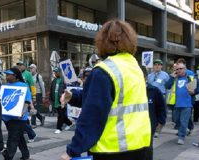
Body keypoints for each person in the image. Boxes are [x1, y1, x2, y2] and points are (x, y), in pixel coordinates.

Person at [61, 19, 151, 160]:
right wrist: (74, 96)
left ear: (103, 41)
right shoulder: (135, 67)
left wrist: (72, 151)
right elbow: (112, 100)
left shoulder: (104, 70)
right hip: (142, 146)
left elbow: (92, 116)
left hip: (112, 150)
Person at [1, 67, 32, 160]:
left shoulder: (23, 86)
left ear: (15, 76)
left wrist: (22, 112)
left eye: (8, 74)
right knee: (18, 137)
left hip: (19, 118)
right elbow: (0, 100)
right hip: (7, 118)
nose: (6, 76)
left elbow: (27, 101)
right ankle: (26, 155)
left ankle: (7, 155)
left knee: (13, 138)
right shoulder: (5, 86)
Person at [166, 63, 195, 145]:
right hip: (176, 104)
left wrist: (194, 91)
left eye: (180, 68)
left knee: (183, 121)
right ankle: (184, 130)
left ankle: (181, 137)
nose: (178, 70)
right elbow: (167, 86)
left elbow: (198, 87)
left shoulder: (190, 78)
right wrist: (172, 77)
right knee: (176, 121)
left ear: (184, 69)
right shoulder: (174, 79)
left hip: (186, 104)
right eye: (177, 69)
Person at [16, 61, 37, 142]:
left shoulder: (28, 74)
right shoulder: (17, 73)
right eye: (18, 66)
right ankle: (27, 131)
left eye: (20, 65)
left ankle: (31, 134)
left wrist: (34, 96)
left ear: (24, 66)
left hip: (26, 97)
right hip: (19, 97)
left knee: (22, 117)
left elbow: (32, 84)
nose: (19, 67)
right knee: (23, 117)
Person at [50, 67, 73, 134]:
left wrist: (65, 99)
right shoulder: (54, 80)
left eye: (56, 72)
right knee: (62, 114)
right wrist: (51, 99)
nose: (55, 73)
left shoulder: (63, 80)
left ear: (60, 72)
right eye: (55, 72)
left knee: (60, 115)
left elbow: (66, 91)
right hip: (55, 100)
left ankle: (59, 128)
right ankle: (69, 123)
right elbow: (51, 90)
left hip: (62, 100)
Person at [29, 64, 46, 128]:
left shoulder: (39, 76)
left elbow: (42, 87)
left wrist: (43, 96)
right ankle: (41, 118)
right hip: (31, 94)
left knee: (34, 108)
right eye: (30, 68)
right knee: (33, 109)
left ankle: (33, 124)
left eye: (32, 68)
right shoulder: (30, 76)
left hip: (38, 94)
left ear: (35, 68)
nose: (31, 69)